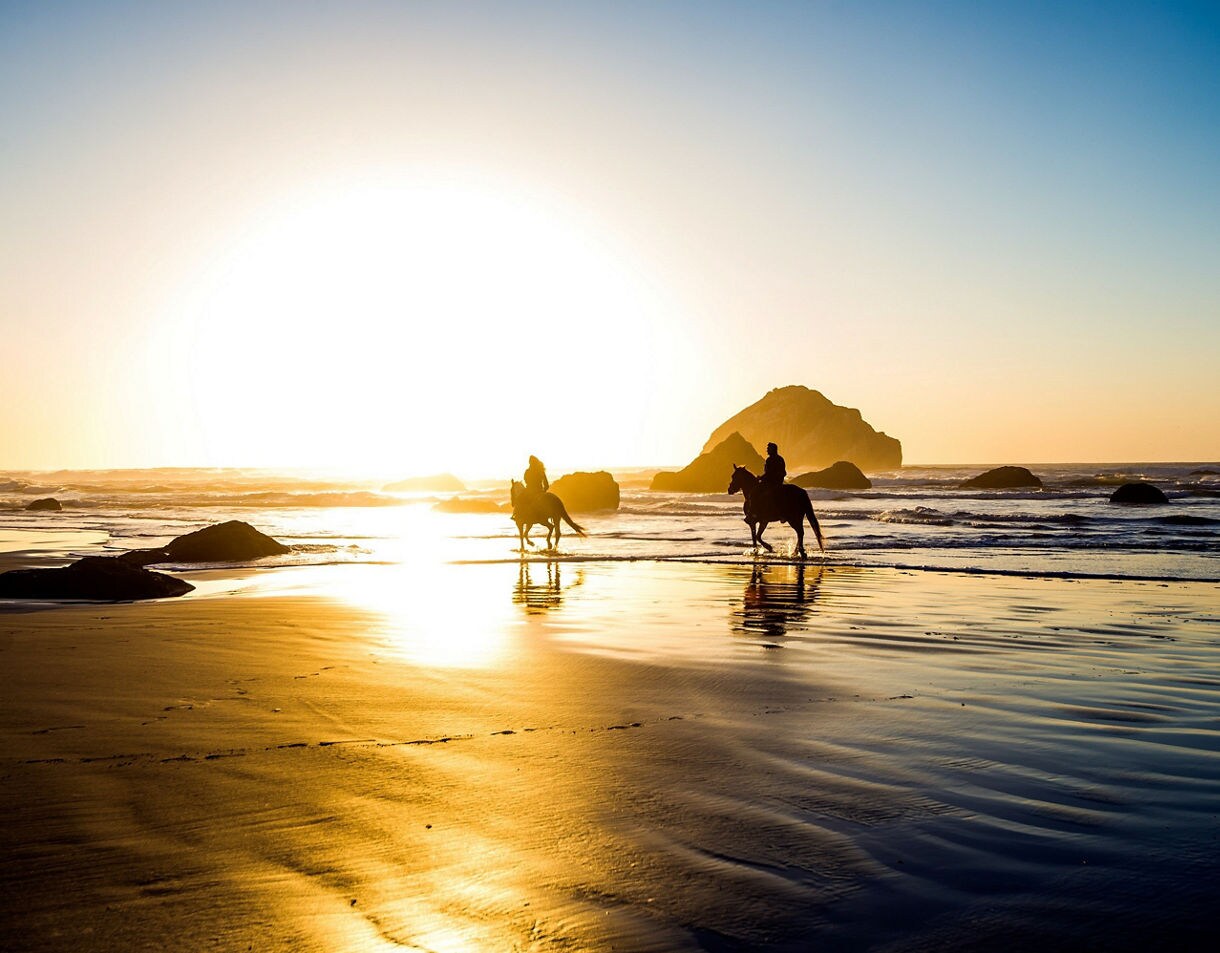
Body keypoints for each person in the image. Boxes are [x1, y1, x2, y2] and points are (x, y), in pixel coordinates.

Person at [757, 442, 786, 514]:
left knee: (756, 493)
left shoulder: (770, 460)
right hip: (779, 482)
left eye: (768, 449)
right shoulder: (780, 459)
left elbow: (769, 473)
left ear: (772, 450)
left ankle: (756, 512)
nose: (767, 450)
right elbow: (783, 472)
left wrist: (760, 478)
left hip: (771, 483)